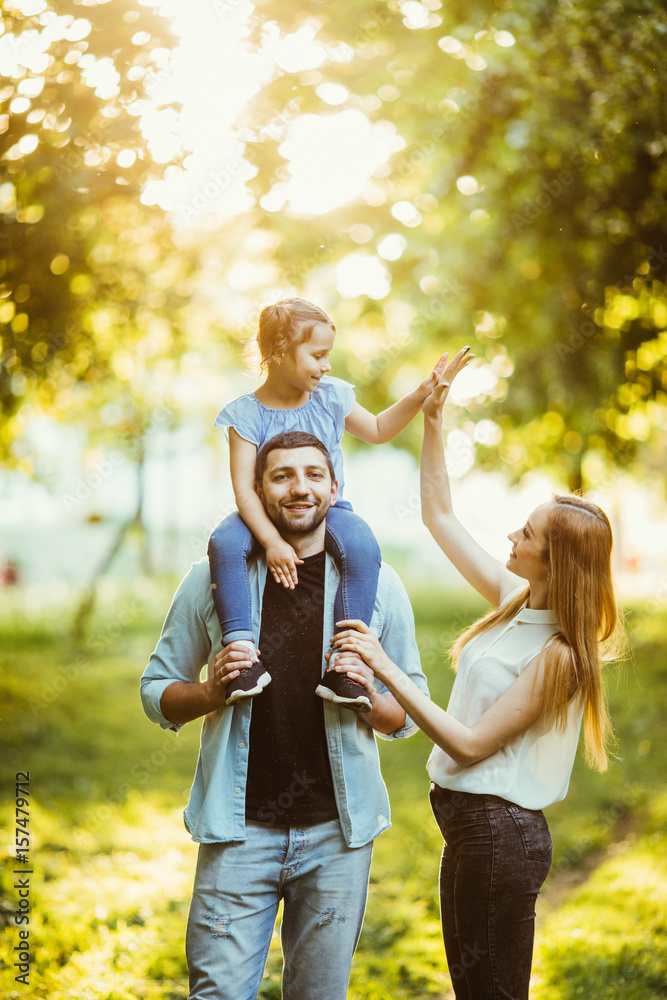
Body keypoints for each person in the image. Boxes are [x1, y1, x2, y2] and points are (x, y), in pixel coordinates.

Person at [328, 349, 623, 1000]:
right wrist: (433, 419)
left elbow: (466, 743)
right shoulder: (514, 601)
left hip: (498, 834)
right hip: (470, 829)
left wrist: (385, 673)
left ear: (554, 564)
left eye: (526, 534)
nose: (510, 537)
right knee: (474, 990)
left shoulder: (559, 657)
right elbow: (438, 516)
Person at [140, 431, 429, 1000]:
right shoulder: (212, 581)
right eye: (282, 475)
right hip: (236, 835)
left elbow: (409, 714)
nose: (300, 488)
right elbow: (156, 691)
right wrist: (211, 690)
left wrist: (369, 689)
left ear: (334, 488)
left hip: (337, 839)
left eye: (313, 475)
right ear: (257, 490)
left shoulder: (378, 587)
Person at [208, 297, 447, 711]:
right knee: (224, 544)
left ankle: (346, 662)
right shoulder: (245, 416)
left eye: (328, 355)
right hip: (263, 513)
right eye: (317, 355)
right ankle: (241, 655)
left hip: (327, 513)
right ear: (280, 352)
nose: (327, 365)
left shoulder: (331, 397)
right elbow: (246, 491)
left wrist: (420, 396)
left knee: (361, 545)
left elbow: (376, 429)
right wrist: (272, 541)